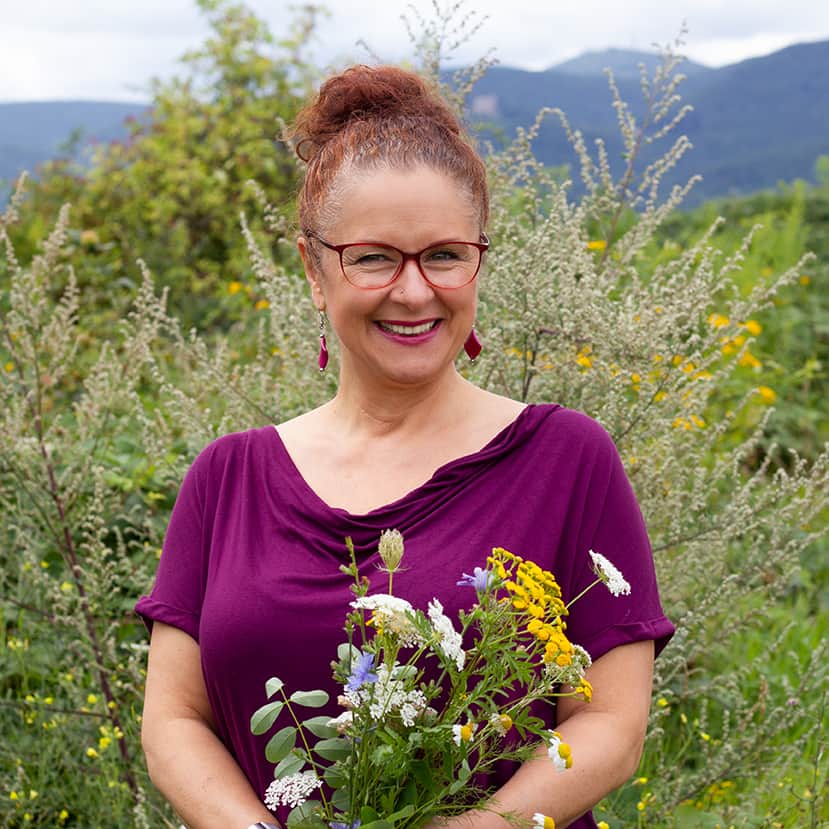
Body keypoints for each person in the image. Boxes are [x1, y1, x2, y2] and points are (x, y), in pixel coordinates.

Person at [136, 65, 674, 829]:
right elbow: (174, 721)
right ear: (314, 269)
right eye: (374, 257)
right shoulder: (227, 478)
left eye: (445, 255)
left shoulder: (567, 459)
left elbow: (611, 726)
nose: (415, 291)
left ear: (479, 260)